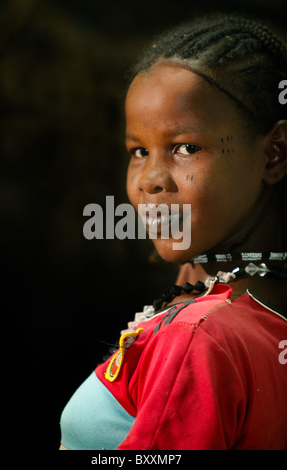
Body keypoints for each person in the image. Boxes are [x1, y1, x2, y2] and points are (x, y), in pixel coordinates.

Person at [59, 13, 287, 450]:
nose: (150, 179)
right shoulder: (249, 314)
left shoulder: (198, 337)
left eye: (186, 148)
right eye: (138, 151)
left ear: (275, 153)